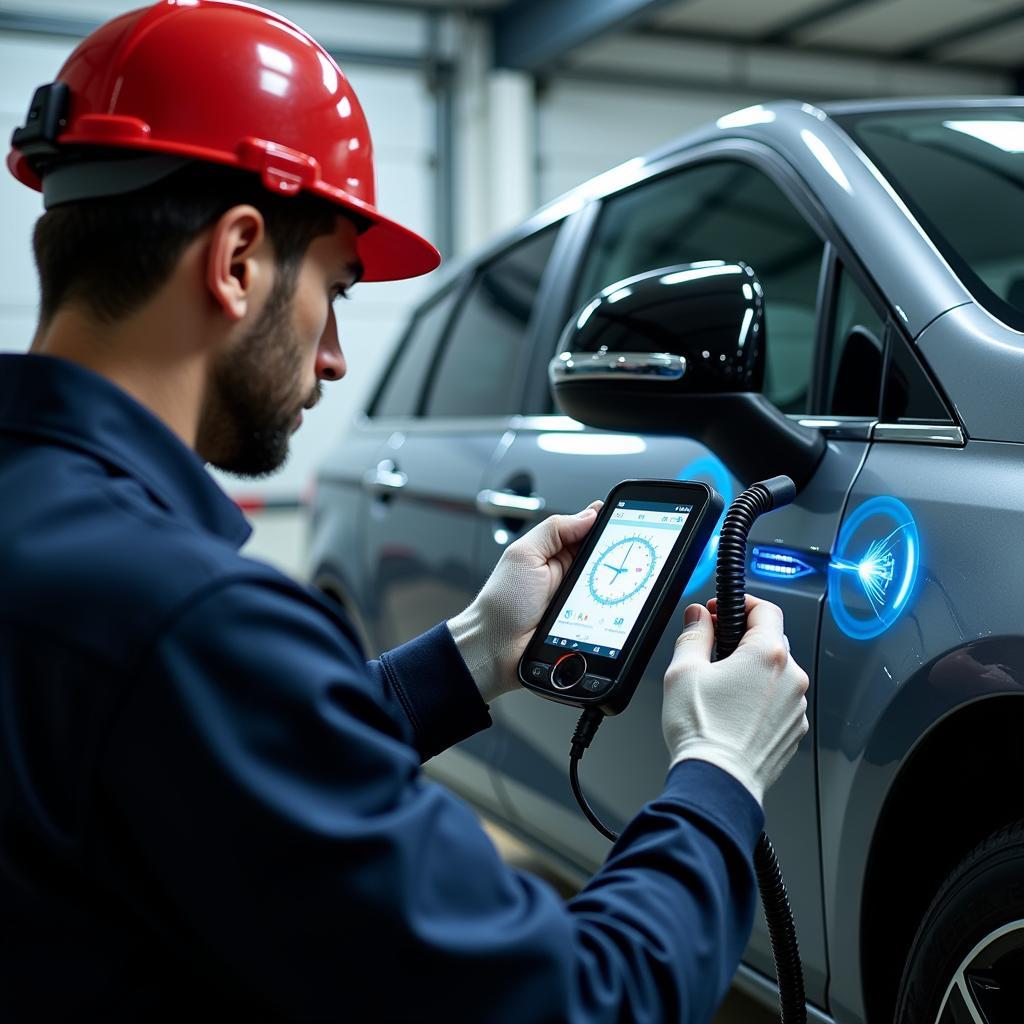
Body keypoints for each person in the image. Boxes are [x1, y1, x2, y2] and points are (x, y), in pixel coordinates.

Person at [0, 2, 809, 1021]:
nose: (336, 353)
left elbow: (228, 773)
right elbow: (579, 999)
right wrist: (718, 773)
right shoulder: (183, 618)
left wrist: (474, 647)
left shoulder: (77, 560)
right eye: (334, 288)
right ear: (238, 259)